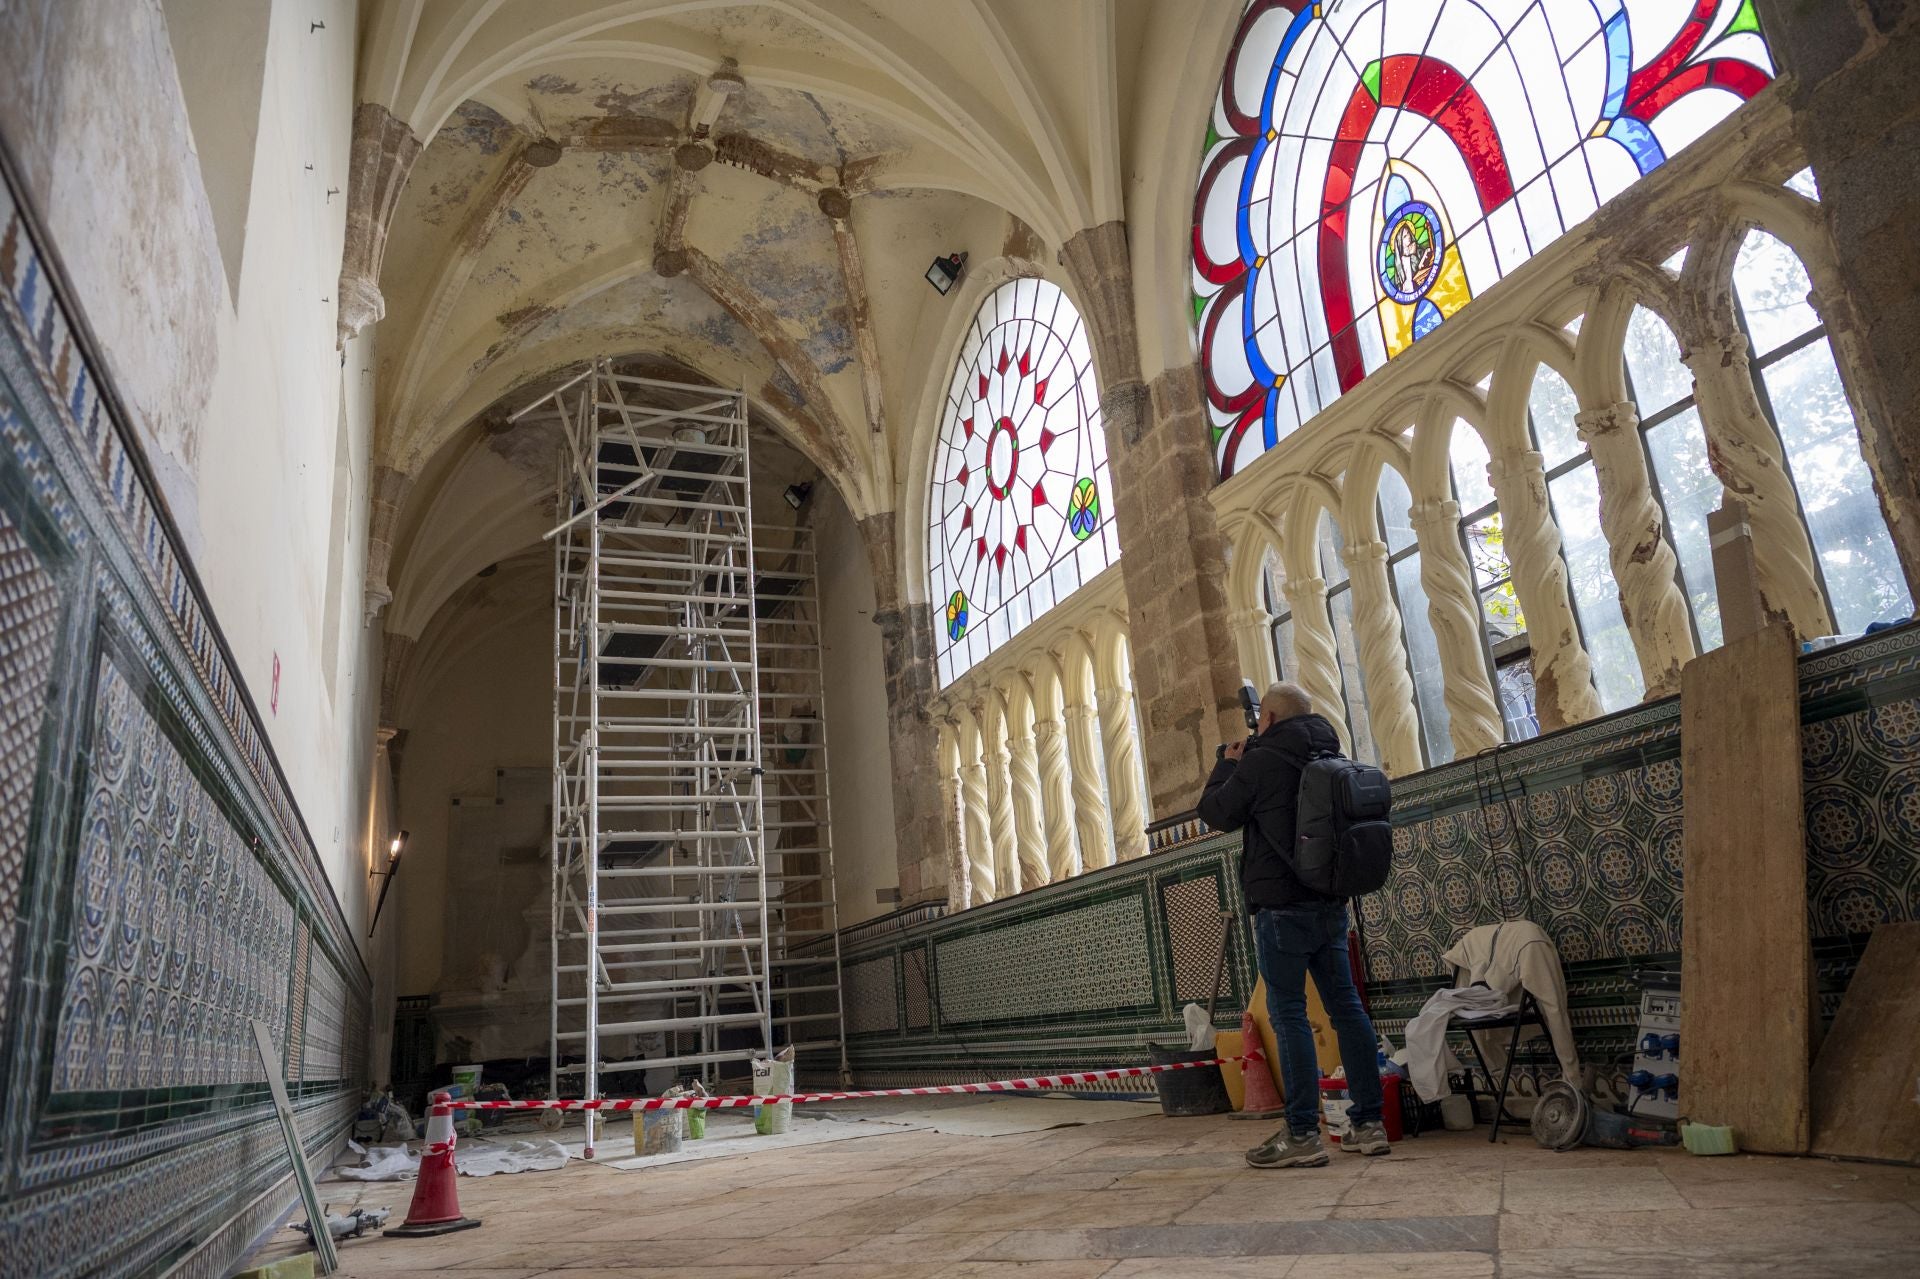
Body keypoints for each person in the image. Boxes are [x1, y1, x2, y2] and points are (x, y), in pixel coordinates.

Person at [1197, 681, 1389, 1168]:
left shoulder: (1261, 761)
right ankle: (1369, 1124)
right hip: (1330, 904)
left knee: (1289, 1017)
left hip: (1281, 908)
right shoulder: (1331, 754)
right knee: (1348, 1010)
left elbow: (1216, 813)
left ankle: (1302, 1133)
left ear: (1270, 719)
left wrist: (1228, 763)